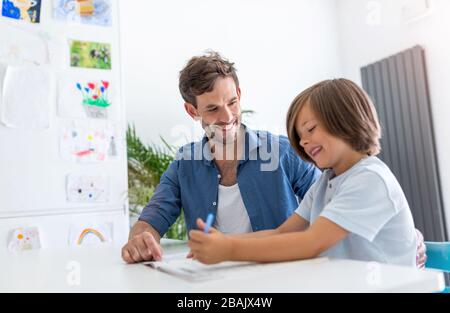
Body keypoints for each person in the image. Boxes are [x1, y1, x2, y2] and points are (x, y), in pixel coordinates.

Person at [188, 78, 418, 267]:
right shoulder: (326, 182)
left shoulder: (369, 179)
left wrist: (228, 249)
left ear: (345, 120)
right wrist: (220, 242)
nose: (304, 142)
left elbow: (311, 243)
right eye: (299, 136)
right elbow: (281, 233)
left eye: (310, 129)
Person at [121, 51, 321, 263]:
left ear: (239, 94)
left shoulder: (283, 152)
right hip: (212, 281)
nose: (227, 117)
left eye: (232, 102)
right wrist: (140, 240)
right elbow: (152, 219)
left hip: (279, 273)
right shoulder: (184, 163)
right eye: (213, 109)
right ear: (192, 111)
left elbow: (327, 205)